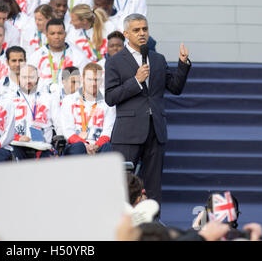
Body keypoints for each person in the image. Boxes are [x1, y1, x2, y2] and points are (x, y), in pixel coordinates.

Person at [104, 13, 191, 206]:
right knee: (122, 184)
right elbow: (110, 97)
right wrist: (136, 81)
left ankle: (152, 227)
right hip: (128, 133)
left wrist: (183, 64)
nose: (142, 33)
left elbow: (175, 88)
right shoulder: (115, 61)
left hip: (155, 130)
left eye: (145, 29)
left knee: (153, 186)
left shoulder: (158, 59)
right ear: (126, 33)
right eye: (136, 30)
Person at [61, 62, 115, 155]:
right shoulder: (69, 100)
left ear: (101, 81)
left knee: (108, 147)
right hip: (76, 145)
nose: (93, 83)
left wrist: (96, 146)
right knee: (79, 147)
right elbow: (68, 131)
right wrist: (85, 144)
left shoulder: (108, 102)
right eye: (90, 79)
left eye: (96, 80)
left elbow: (108, 131)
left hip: (98, 146)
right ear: (82, 79)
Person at [29, 18, 89, 94]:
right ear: (47, 35)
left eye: (60, 33)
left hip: (71, 100)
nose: (56, 37)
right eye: (52, 33)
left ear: (65, 34)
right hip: (43, 100)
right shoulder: (36, 56)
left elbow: (85, 81)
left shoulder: (78, 56)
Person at [11, 64, 54, 160]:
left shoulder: (49, 99)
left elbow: (59, 123)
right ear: (19, 78)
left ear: (38, 79)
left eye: (31, 77)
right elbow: (3, 127)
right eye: (24, 77)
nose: (28, 81)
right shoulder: (8, 99)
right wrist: (17, 137)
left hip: (43, 146)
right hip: (17, 144)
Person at [49, 65, 81, 134]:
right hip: (60, 134)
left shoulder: (82, 98)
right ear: (64, 81)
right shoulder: (54, 97)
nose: (77, 86)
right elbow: (57, 121)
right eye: (73, 82)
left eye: (79, 82)